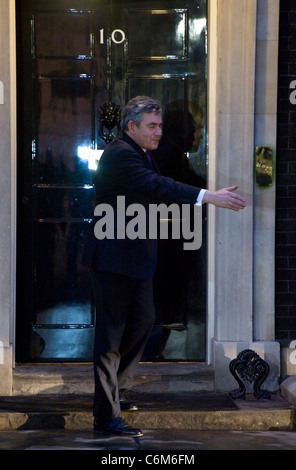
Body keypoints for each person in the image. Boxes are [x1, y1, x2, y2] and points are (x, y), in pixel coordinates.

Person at [82, 95, 247, 438]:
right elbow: (157, 186)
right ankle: (106, 416)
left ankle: (117, 390)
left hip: (135, 259)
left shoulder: (140, 152)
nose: (159, 133)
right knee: (110, 340)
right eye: (152, 126)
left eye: (160, 126)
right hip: (114, 259)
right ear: (132, 127)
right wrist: (208, 196)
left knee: (143, 322)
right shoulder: (120, 155)